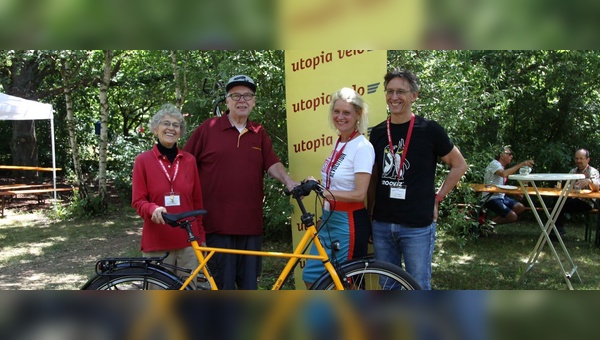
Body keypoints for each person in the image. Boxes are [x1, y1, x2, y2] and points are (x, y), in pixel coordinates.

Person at [183, 74, 299, 290]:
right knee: (222, 286)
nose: (242, 100)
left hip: (250, 226)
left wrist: (289, 181)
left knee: (249, 287)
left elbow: (272, 163)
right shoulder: (209, 128)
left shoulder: (258, 132)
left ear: (254, 101)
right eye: (236, 95)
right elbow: (185, 165)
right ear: (226, 101)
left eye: (247, 95)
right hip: (216, 225)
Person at [367, 69, 468, 290]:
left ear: (414, 96)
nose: (394, 97)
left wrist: (437, 198)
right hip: (382, 224)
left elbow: (459, 165)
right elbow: (373, 177)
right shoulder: (376, 133)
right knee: (387, 286)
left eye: (401, 92)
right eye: (390, 91)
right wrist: (370, 213)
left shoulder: (429, 130)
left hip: (417, 225)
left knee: (418, 286)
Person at [302, 87, 375, 288]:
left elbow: (359, 193)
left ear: (358, 115)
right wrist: (318, 184)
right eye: (337, 111)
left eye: (346, 113)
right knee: (312, 278)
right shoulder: (341, 142)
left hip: (348, 224)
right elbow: (337, 181)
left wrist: (325, 192)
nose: (340, 117)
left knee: (347, 284)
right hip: (329, 220)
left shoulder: (362, 147)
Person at [131, 103, 206, 284]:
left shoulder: (189, 160)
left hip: (188, 243)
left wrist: (201, 237)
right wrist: (152, 209)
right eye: (166, 123)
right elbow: (138, 200)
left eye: (176, 125)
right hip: (157, 243)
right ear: (155, 129)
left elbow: (197, 203)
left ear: (180, 131)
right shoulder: (143, 161)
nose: (171, 128)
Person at [481, 146, 534, 225]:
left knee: (520, 207)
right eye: (509, 154)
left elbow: (499, 185)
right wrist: (521, 164)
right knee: (513, 217)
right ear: (502, 155)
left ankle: (487, 224)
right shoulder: (494, 164)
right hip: (490, 197)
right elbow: (503, 174)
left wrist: (513, 193)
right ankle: (484, 226)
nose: (511, 156)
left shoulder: (501, 166)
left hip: (500, 196)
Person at [554, 149, 600, 238]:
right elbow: (568, 187)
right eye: (576, 159)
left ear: (588, 160)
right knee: (557, 200)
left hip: (586, 202)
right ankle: (556, 230)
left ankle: (556, 230)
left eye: (581, 159)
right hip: (572, 199)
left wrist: (589, 181)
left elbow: (597, 188)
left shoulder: (593, 172)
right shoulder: (573, 171)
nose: (578, 161)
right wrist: (561, 188)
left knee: (558, 204)